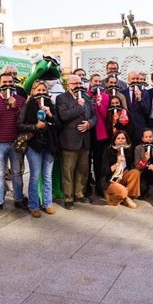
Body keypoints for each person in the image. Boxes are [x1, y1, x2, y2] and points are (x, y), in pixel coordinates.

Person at [0, 73, 27, 215]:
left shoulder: (21, 100)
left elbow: (22, 123)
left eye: (10, 82)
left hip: (16, 143)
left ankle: (19, 199)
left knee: (17, 172)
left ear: (14, 84)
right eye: (5, 82)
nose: (7, 84)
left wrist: (15, 107)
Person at [17, 80, 58, 218]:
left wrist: (50, 115)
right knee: (34, 176)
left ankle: (48, 203)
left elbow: (59, 123)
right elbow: (20, 125)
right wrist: (35, 126)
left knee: (47, 176)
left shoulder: (51, 105)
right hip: (34, 145)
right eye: (38, 90)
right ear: (33, 91)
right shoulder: (27, 106)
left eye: (43, 90)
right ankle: (34, 205)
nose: (41, 93)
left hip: (49, 144)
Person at [56, 74, 96, 209]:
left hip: (85, 140)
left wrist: (89, 124)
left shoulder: (86, 97)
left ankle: (79, 193)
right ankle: (68, 198)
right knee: (68, 171)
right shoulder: (61, 98)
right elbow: (64, 116)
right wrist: (79, 106)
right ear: (68, 85)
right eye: (75, 84)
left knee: (83, 170)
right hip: (69, 141)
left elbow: (94, 115)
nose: (78, 86)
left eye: (80, 84)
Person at [100, 130, 140, 209]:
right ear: (114, 141)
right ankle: (125, 198)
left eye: (123, 138)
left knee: (135, 172)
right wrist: (117, 163)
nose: (121, 140)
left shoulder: (128, 150)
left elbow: (129, 167)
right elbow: (104, 171)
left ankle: (122, 196)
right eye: (118, 138)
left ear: (126, 140)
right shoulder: (108, 151)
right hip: (110, 179)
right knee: (122, 192)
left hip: (122, 176)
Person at [88, 74, 110, 199]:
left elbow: (105, 115)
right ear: (90, 83)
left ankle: (99, 186)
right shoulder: (84, 95)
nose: (97, 83)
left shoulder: (105, 96)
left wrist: (100, 104)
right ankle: (86, 187)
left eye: (98, 81)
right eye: (94, 81)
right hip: (86, 132)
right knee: (85, 162)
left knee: (99, 162)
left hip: (100, 133)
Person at [134, 128, 153, 206]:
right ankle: (145, 190)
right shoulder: (138, 148)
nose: (148, 139)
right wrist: (145, 160)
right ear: (142, 138)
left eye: (150, 137)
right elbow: (137, 166)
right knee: (142, 191)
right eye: (146, 137)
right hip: (143, 171)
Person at [121, 71, 151, 144]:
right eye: (133, 79)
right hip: (127, 127)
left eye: (137, 79)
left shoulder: (144, 93)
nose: (135, 81)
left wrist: (140, 99)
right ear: (128, 80)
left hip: (140, 127)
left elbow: (147, 111)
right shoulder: (123, 93)